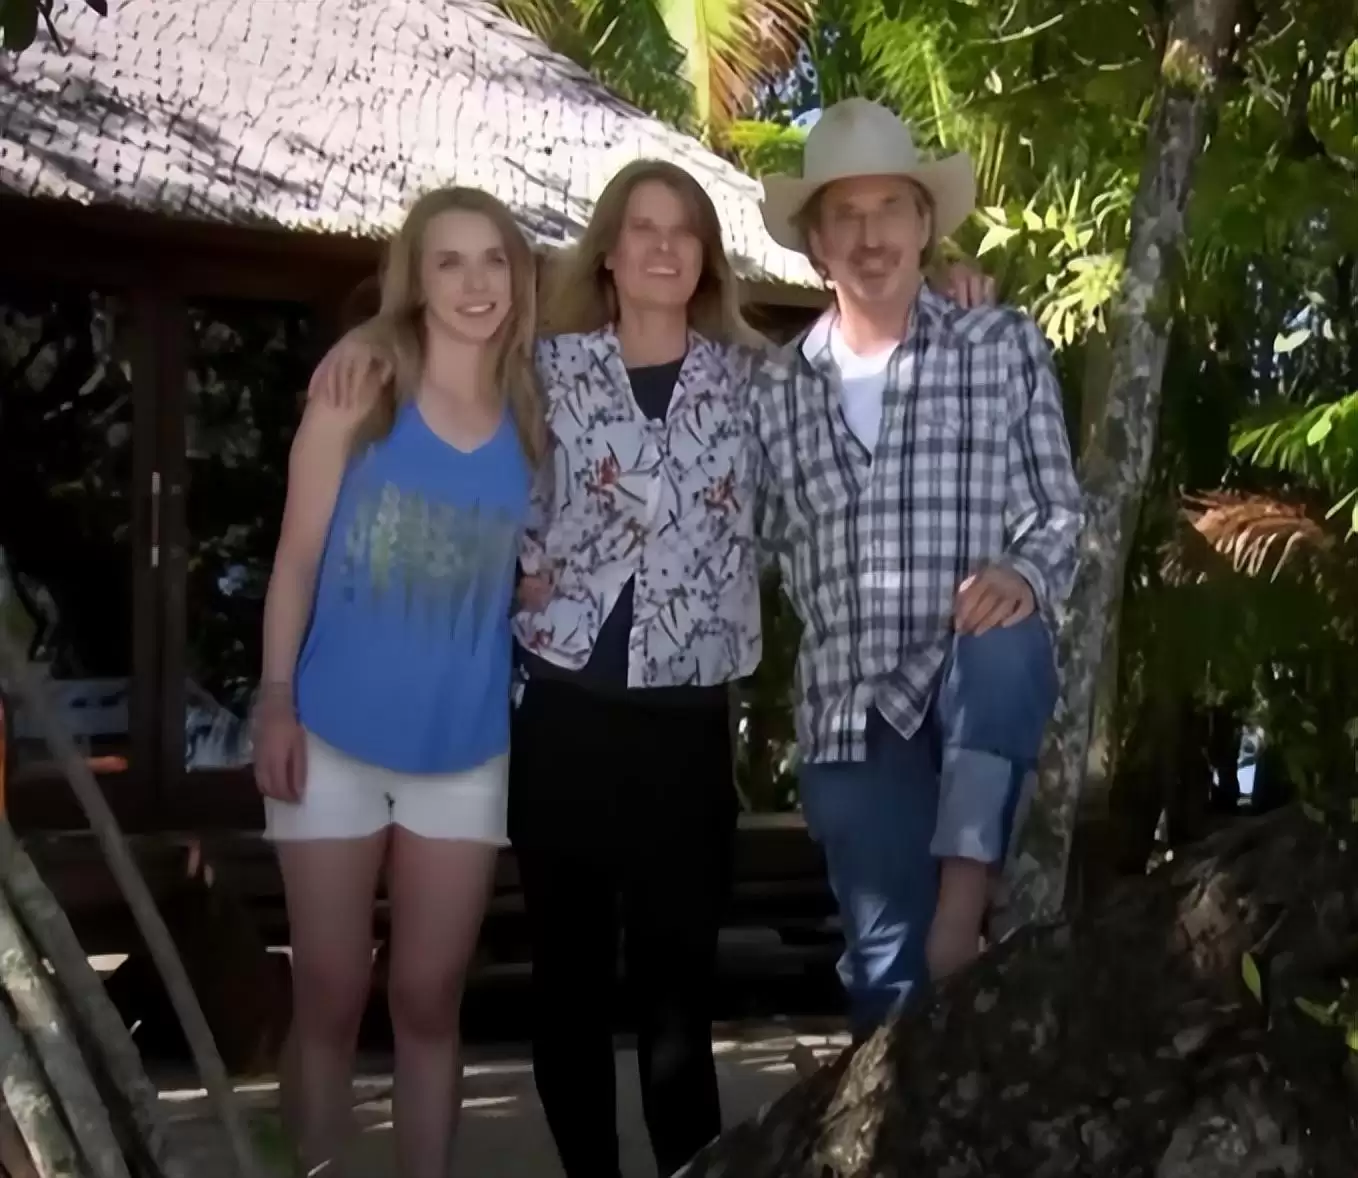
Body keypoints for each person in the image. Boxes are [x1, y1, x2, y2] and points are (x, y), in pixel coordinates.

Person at [305, 159, 993, 1178]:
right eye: (642, 228)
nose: (663, 247)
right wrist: (366, 336)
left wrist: (948, 289)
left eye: (683, 231)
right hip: (560, 714)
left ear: (705, 257)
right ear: (609, 253)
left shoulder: (759, 381)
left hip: (684, 723)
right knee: (569, 987)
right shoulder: (543, 367)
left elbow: (866, 348)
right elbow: (437, 337)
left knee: (678, 995)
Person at [751, 97, 1083, 1039]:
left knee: (1008, 637)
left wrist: (1021, 573)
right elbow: (739, 542)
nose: (871, 237)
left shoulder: (998, 345)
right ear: (817, 243)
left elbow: (1058, 511)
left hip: (969, 684)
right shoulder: (772, 391)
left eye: (890, 208)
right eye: (846, 216)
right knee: (883, 982)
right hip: (851, 711)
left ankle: (961, 908)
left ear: (925, 223)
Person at [251, 186, 546, 1178]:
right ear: (416, 280)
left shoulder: (534, 414)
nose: (475, 282)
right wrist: (276, 701)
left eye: (494, 259)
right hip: (330, 734)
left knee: (427, 999)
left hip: (463, 749)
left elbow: (526, 559)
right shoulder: (360, 390)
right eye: (449, 261)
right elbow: (294, 559)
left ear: (518, 278)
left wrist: (531, 581)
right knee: (331, 992)